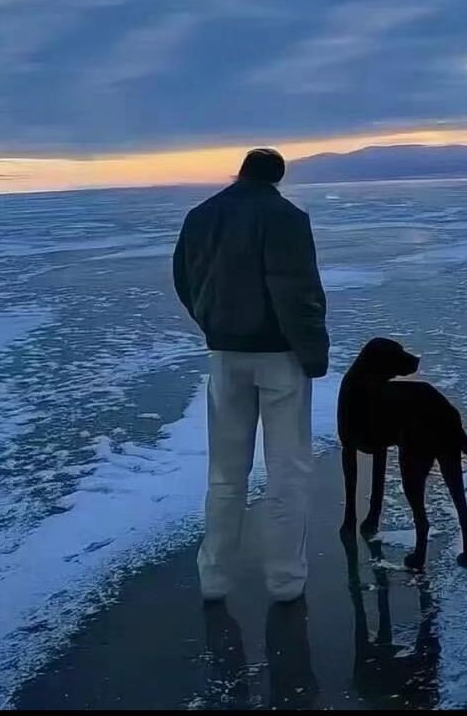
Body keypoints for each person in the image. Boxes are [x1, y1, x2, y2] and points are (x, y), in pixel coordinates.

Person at [173, 147, 329, 603]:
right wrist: (313, 354)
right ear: (277, 179)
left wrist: (212, 324)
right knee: (287, 471)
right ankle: (285, 581)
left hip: (225, 356)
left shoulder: (201, 216)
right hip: (280, 357)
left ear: (241, 172)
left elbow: (184, 280)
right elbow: (298, 293)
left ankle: (214, 578)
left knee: (225, 473)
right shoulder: (286, 218)